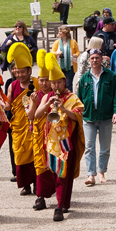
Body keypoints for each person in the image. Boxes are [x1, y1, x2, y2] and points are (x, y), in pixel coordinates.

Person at [34, 54, 85, 221]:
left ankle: (59, 206)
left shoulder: (72, 98)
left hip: (64, 143)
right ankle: (45, 197)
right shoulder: (48, 96)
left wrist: (63, 108)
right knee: (50, 173)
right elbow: (36, 114)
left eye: (58, 82)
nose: (55, 86)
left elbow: (77, 116)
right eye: (53, 83)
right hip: (49, 142)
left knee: (63, 175)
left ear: (65, 81)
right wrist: (48, 104)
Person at [77, 50, 116, 186]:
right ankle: (91, 175)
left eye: (97, 58)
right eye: (92, 58)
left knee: (105, 147)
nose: (95, 60)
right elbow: (78, 99)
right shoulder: (84, 78)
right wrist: (78, 113)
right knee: (89, 147)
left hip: (106, 117)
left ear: (101, 59)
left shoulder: (111, 76)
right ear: (89, 60)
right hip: (88, 117)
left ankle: (101, 171)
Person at [5, 42, 38, 197]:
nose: (19, 75)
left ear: (29, 70)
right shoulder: (13, 85)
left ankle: (38, 183)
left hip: (34, 124)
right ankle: (25, 185)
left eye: (22, 72)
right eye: (16, 72)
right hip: (18, 125)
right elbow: (8, 104)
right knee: (19, 154)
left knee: (36, 153)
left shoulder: (36, 83)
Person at [27, 50, 56, 211]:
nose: (44, 84)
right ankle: (40, 197)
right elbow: (30, 116)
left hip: (53, 135)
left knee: (54, 164)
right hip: (38, 135)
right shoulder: (32, 95)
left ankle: (58, 192)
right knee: (39, 164)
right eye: (41, 81)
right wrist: (33, 102)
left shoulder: (57, 95)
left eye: (47, 81)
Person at [51, 26, 79, 91]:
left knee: (68, 84)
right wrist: (57, 53)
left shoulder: (73, 42)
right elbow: (52, 52)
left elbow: (78, 52)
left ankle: (69, 98)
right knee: (60, 84)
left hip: (70, 67)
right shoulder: (57, 42)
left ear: (65, 32)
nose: (59, 33)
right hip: (59, 67)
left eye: (61, 31)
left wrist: (76, 55)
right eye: (59, 31)